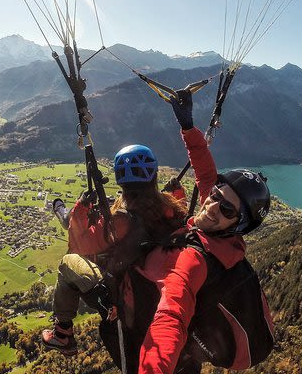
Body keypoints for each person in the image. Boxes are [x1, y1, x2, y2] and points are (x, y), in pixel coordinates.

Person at [97, 92, 273, 374]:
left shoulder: (195, 259)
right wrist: (188, 127)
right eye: (216, 195)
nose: (212, 206)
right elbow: (205, 173)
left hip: (150, 334)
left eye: (227, 209)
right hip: (188, 357)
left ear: (238, 224)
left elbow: (171, 316)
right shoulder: (218, 232)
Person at [40, 90, 212, 355]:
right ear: (154, 176)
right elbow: (172, 219)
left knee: (66, 263)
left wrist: (82, 208)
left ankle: (63, 332)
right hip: (156, 282)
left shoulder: (119, 221)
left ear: (121, 181)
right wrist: (177, 194)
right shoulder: (171, 208)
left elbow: (79, 244)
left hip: (123, 291)